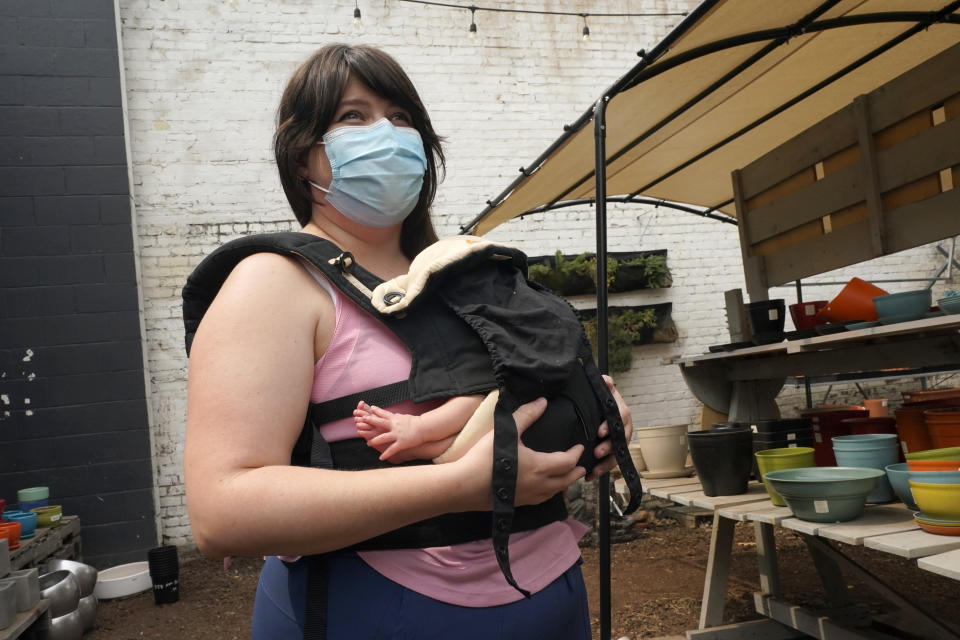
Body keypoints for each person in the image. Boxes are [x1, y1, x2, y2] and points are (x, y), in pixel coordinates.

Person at [184, 43, 633, 639]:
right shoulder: (274, 284)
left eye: (401, 118)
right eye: (353, 116)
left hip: (554, 596)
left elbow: (527, 383)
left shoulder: (465, 273)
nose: (386, 134)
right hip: (375, 611)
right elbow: (222, 511)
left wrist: (592, 415)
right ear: (301, 156)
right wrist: (457, 486)